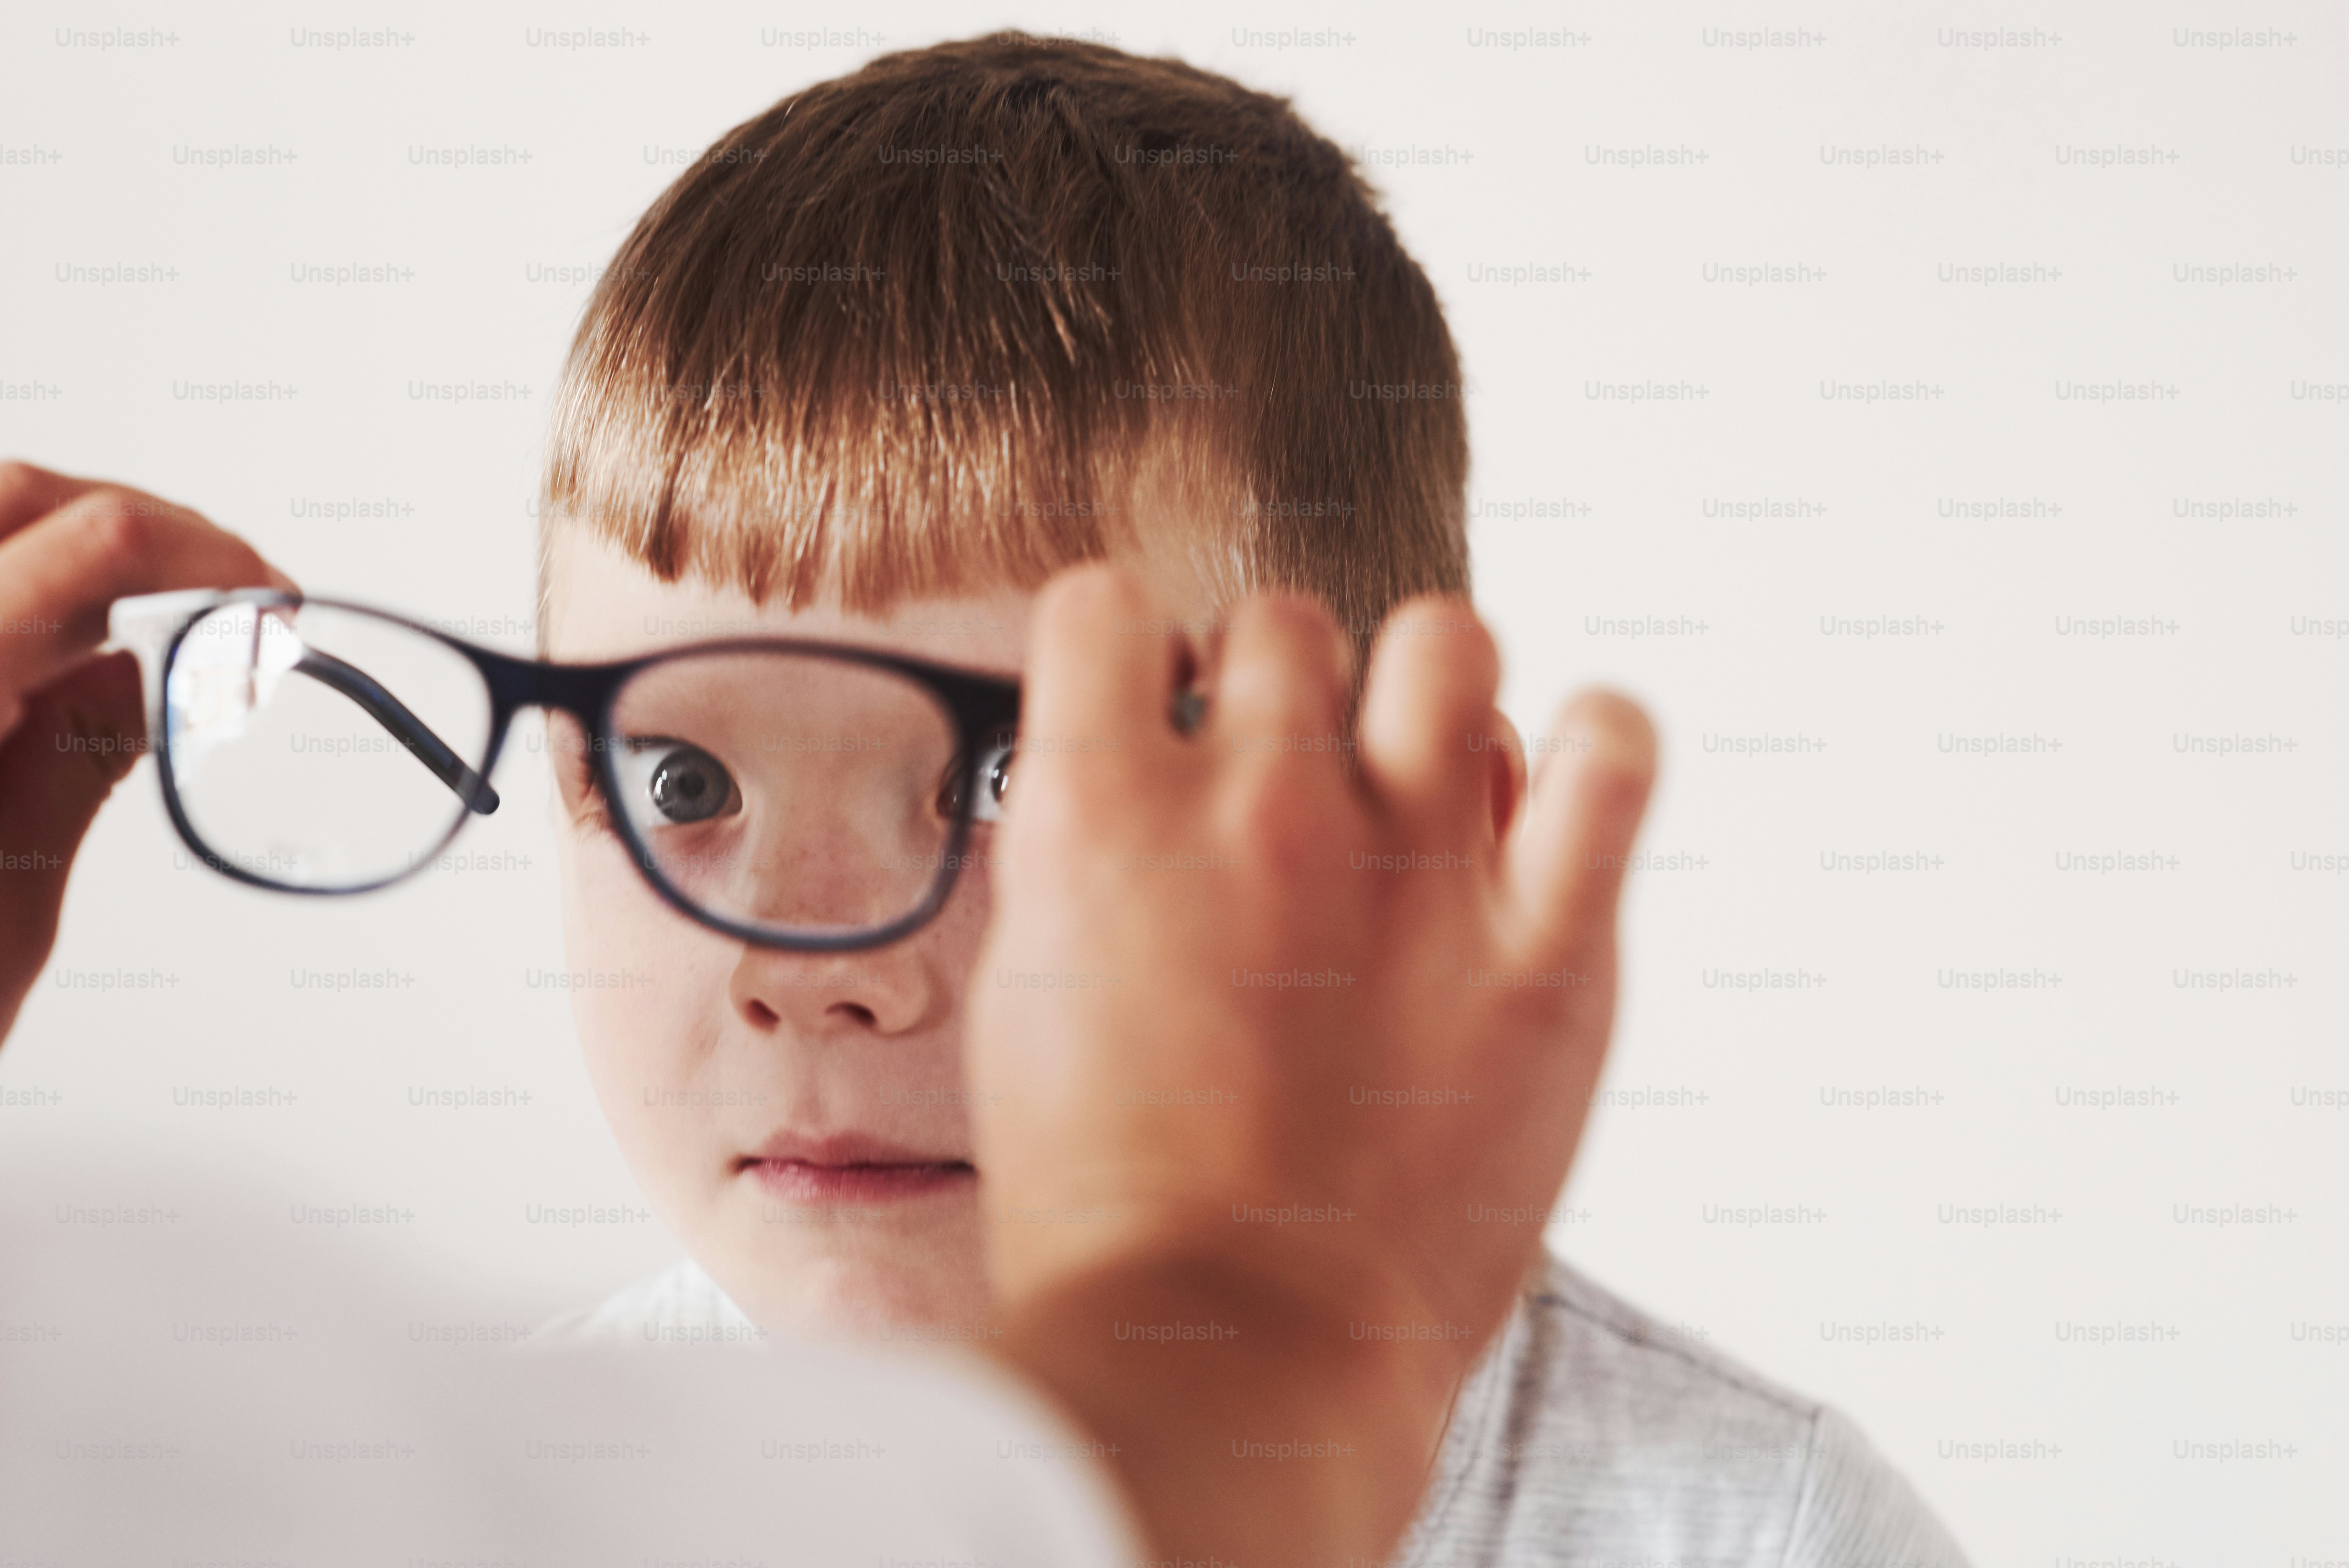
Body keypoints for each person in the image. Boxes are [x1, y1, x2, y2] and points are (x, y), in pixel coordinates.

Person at [0, 31, 1973, 1568]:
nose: (804, 965)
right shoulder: (481, 1498)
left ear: (1407, 858)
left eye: (1022, 766)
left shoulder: (1748, 1530)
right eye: (679, 773)